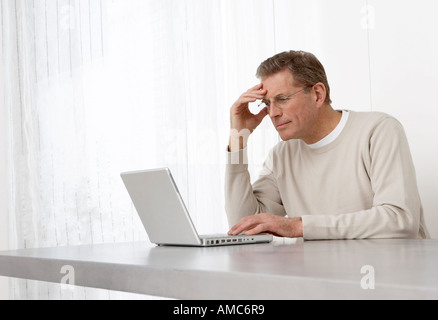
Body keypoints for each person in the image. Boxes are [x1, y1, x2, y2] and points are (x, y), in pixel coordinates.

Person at [225, 50, 430, 240]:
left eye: (282, 99)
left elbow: (400, 220)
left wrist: (300, 226)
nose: (272, 113)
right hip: (326, 276)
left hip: (392, 276)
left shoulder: (378, 130)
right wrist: (238, 137)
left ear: (317, 94)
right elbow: (244, 228)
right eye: (268, 103)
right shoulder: (281, 155)